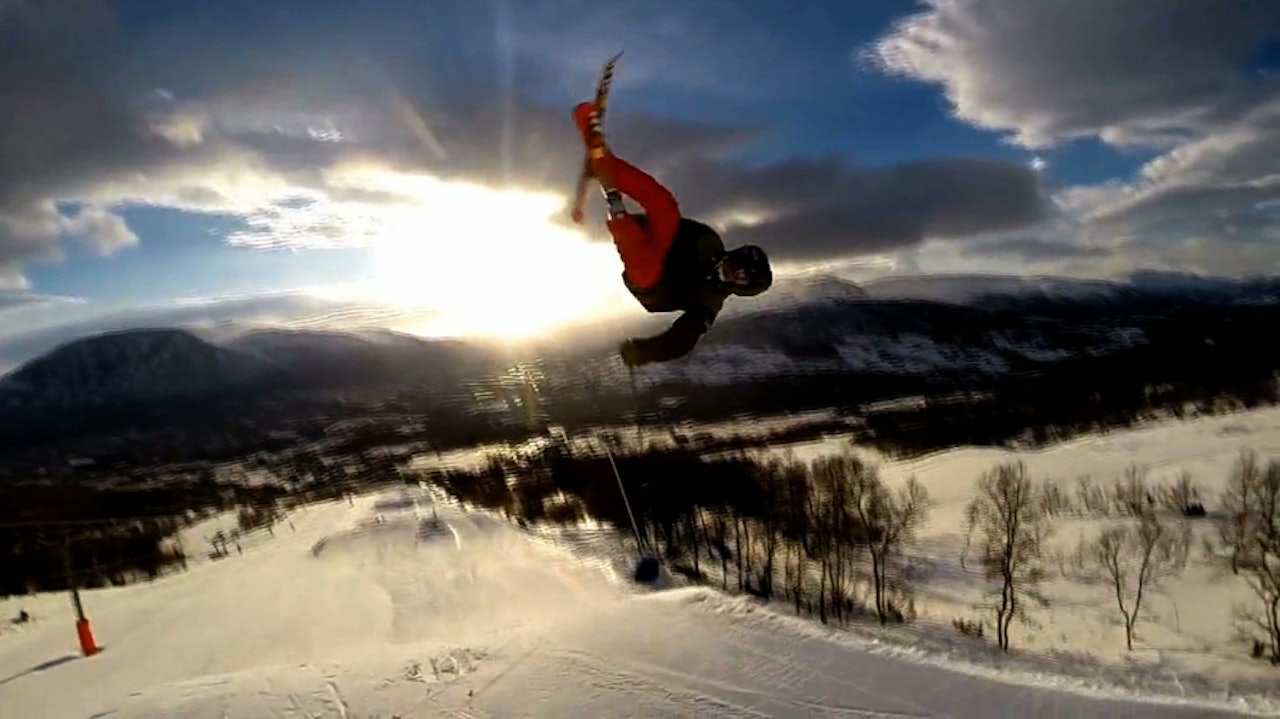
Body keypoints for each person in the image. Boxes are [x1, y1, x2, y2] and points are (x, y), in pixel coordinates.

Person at [572, 101, 773, 368]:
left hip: (655, 287)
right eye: (737, 263)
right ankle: (609, 166)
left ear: (739, 287)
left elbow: (682, 340)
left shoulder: (708, 301)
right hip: (659, 247)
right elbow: (666, 221)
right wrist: (638, 221)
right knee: (665, 203)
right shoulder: (708, 242)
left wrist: (645, 351)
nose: (732, 270)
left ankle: (616, 202)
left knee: (646, 270)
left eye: (740, 276)